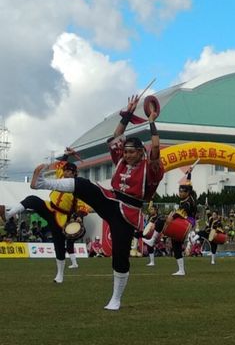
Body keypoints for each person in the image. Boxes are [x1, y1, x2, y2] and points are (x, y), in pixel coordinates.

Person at [31, 94, 164, 310]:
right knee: (84, 185)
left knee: (120, 256)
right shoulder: (120, 159)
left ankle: (116, 298)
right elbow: (116, 137)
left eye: (132, 152)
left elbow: (156, 149)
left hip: (129, 212)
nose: (127, 155)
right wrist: (128, 114)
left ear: (141, 152)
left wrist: (151, 122)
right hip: (112, 200)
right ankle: (42, 184)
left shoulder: (151, 167)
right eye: (126, 151)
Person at [4, 154, 90, 283]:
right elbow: (61, 163)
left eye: (69, 171)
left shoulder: (78, 188)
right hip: (50, 207)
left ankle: (60, 274)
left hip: (62, 218)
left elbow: (83, 207)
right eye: (65, 170)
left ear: (74, 173)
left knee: (59, 245)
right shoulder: (61, 177)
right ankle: (8, 215)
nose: (66, 173)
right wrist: (67, 154)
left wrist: (79, 216)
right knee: (32, 199)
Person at [145, 178, 198, 275]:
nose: (180, 193)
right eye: (180, 191)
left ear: (188, 192)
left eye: (182, 192)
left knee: (161, 220)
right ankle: (181, 270)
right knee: (176, 245)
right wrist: (189, 175)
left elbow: (180, 213)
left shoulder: (189, 202)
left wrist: (170, 217)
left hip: (187, 222)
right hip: (183, 221)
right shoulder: (185, 199)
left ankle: (152, 240)